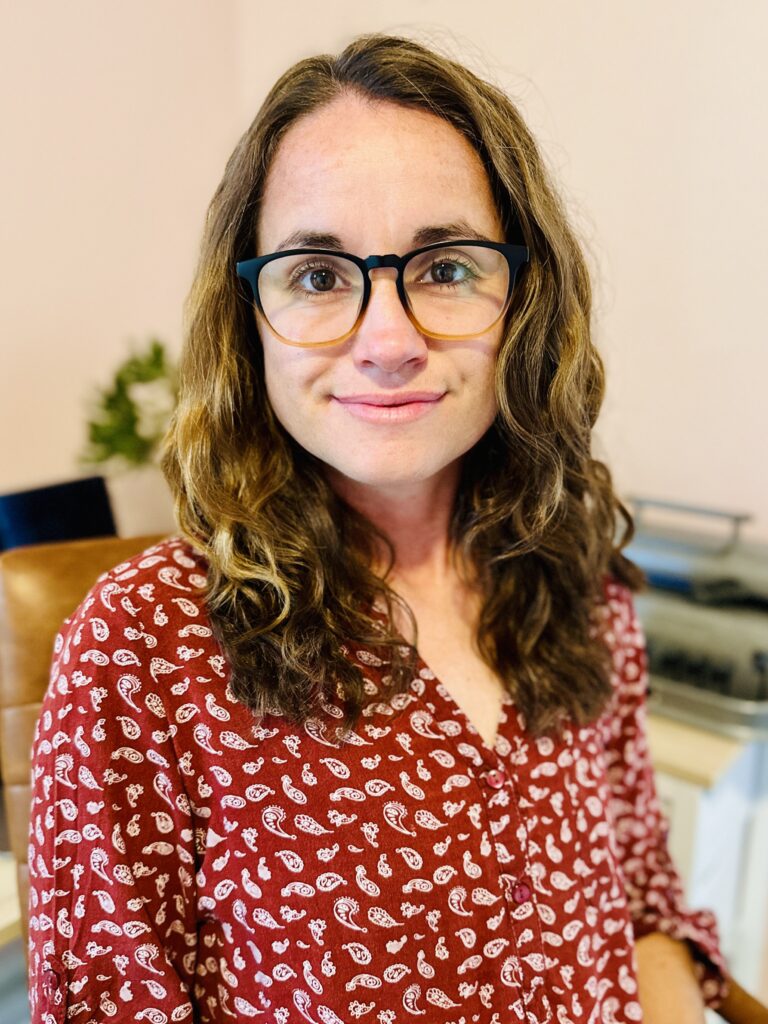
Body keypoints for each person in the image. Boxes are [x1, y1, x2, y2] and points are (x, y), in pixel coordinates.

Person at [27, 32, 741, 1024]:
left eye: (445, 267)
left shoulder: (581, 583)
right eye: (318, 276)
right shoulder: (144, 646)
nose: (390, 341)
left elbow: (638, 903)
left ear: (523, 300)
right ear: (252, 319)